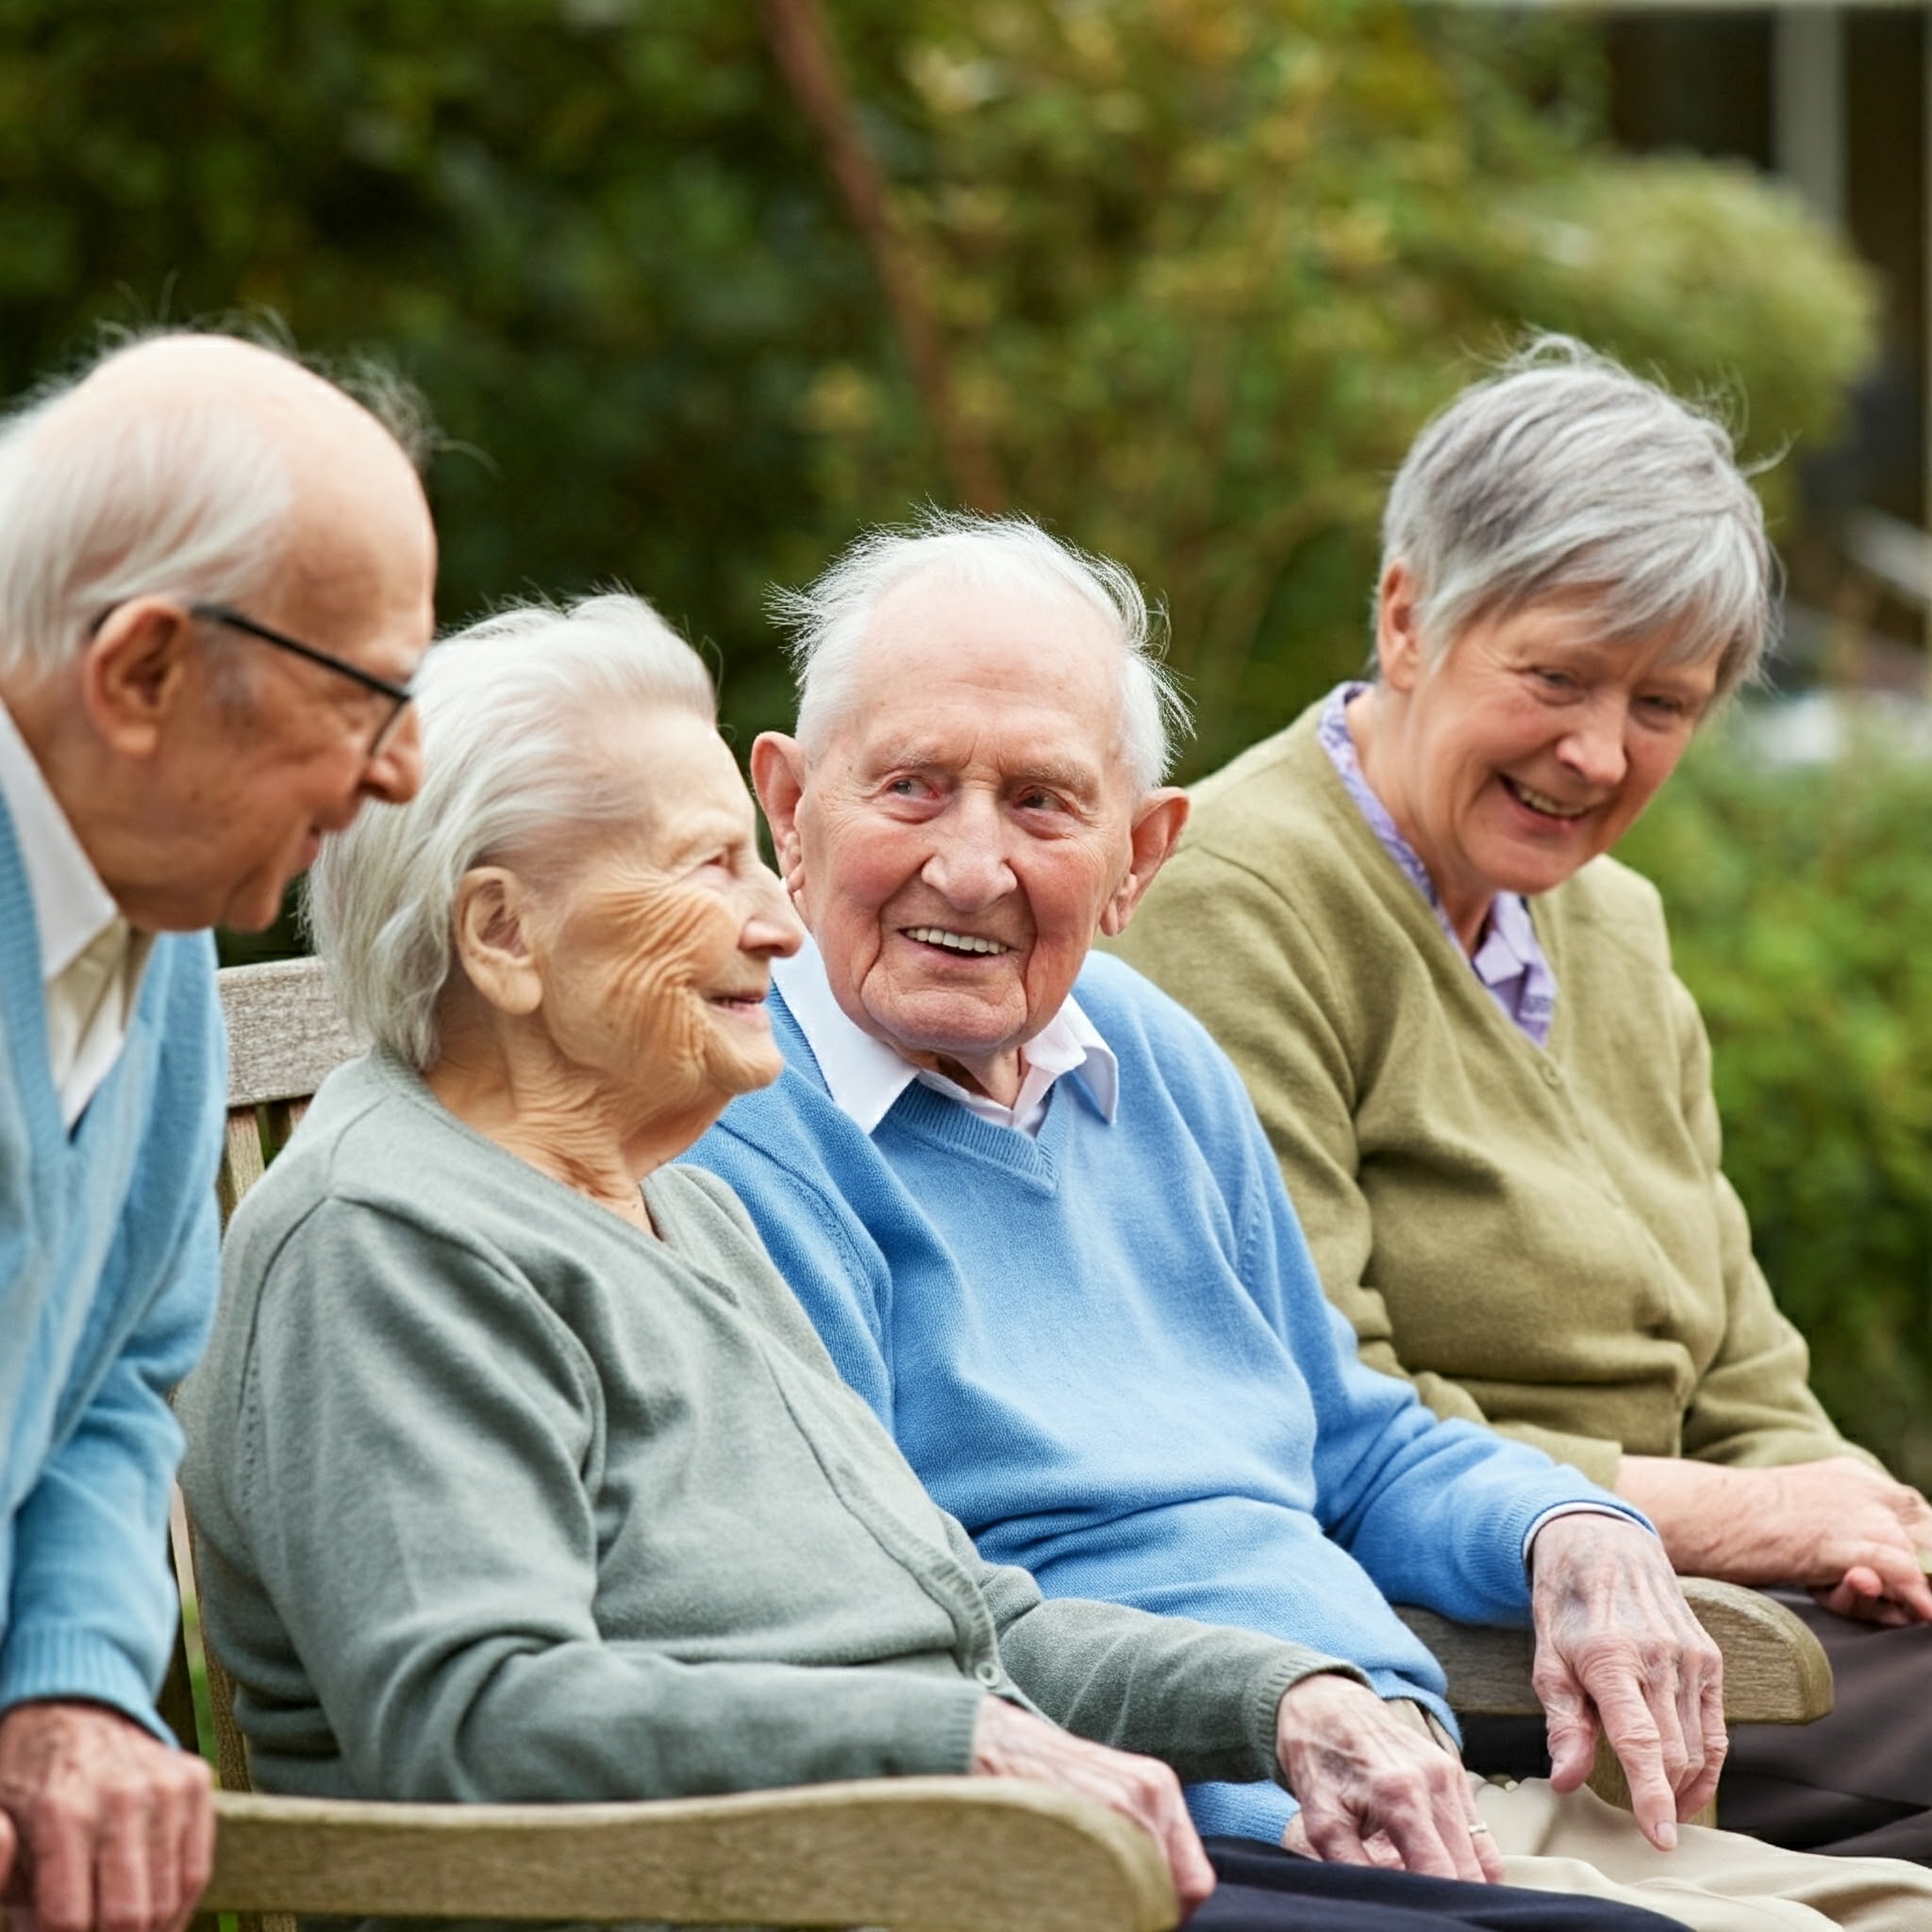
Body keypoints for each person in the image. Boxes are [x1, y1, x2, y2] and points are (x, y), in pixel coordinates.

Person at [177, 593, 1690, 1932]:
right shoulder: (388, 1238)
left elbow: (969, 1615)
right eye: (715, 868)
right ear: (503, 938)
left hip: (950, 1858)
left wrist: (1286, 1699)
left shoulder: (662, 1203)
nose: (780, 918)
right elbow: (477, 1717)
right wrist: (955, 1745)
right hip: (798, 1887)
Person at [689, 508, 1932, 1929]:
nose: (974, 867)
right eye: (911, 788)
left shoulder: (1144, 1055)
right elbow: (878, 1611)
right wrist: (1282, 1706)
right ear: (786, 806)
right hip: (1145, 1839)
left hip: (1415, 1787)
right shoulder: (737, 1121)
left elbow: (1352, 1441)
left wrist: (1567, 1528)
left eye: (1042, 804)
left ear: (1140, 855)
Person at [1110, 338, 1932, 1865]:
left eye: (1665, 705)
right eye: (1555, 677)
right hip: (1483, 1641)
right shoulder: (1232, 900)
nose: (1598, 753)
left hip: (1716, 1631)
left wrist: (1863, 1529)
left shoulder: (1610, 923)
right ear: (1410, 618)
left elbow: (1749, 1372)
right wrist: (1745, 1526)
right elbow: (1302, 1422)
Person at [0, 330, 436, 1932]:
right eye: (364, 697)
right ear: (140, 673)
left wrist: (66, 1691)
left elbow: (117, 1377)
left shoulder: (154, 933)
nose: (402, 772)